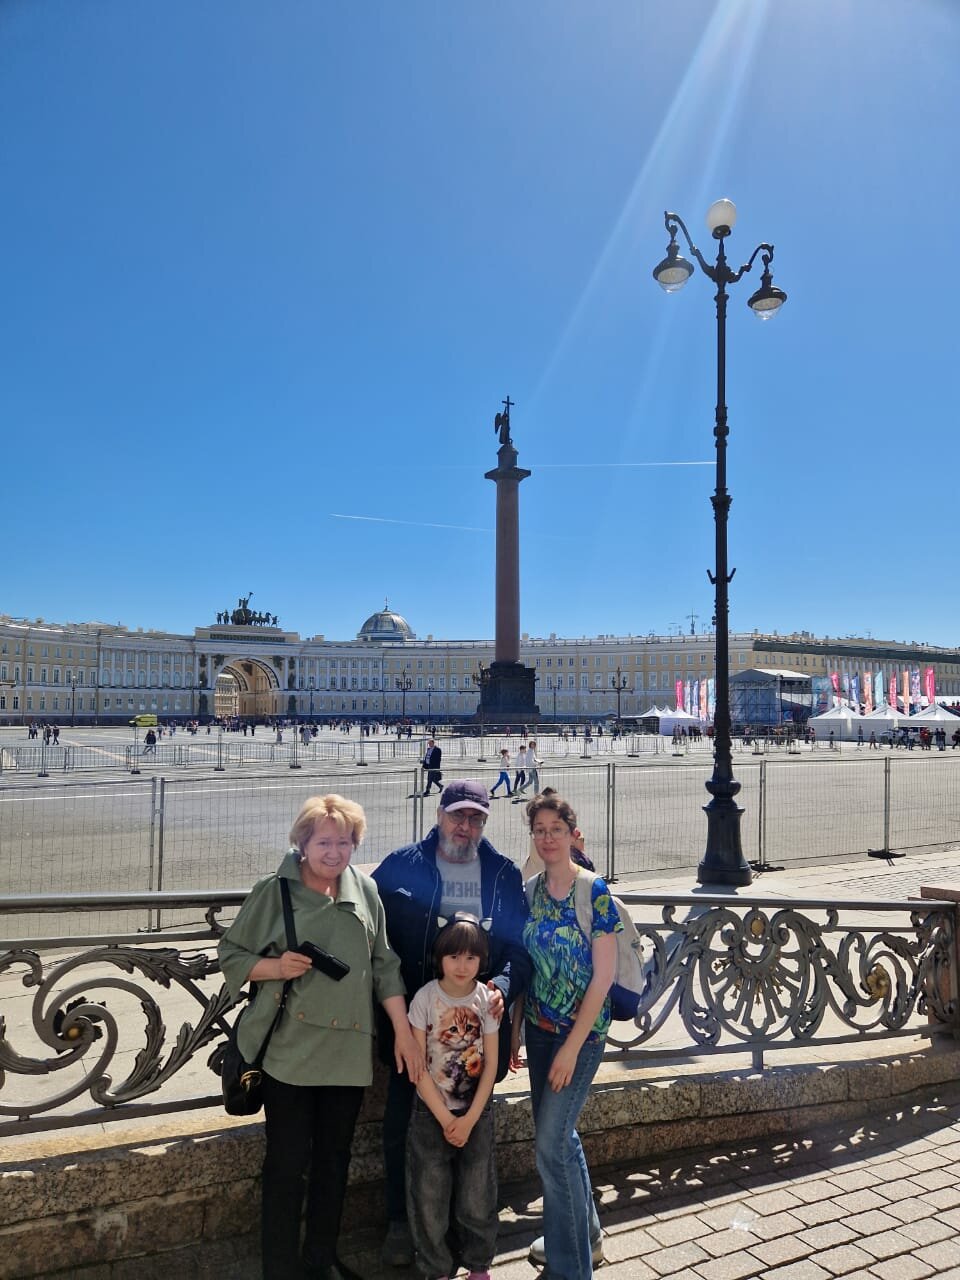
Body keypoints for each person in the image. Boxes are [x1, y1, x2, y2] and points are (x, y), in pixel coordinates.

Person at [219, 794, 423, 1280]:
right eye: (324, 842)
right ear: (303, 844)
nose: (335, 852)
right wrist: (275, 967)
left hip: (347, 1053)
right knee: (287, 1164)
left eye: (345, 842)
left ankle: (321, 1259)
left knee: (334, 1160)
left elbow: (384, 966)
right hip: (290, 1051)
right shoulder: (274, 891)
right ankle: (280, 1269)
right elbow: (231, 954)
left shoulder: (365, 890)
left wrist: (403, 1031)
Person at [372, 779, 531, 1268]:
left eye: (476, 818)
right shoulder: (401, 865)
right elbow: (371, 935)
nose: (465, 826)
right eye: (457, 815)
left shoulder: (502, 874)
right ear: (439, 814)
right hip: (414, 1030)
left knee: (472, 1141)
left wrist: (501, 985)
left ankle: (465, 1233)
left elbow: (520, 948)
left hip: (474, 1039)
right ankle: (402, 1223)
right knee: (403, 1129)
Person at [514, 792, 618, 1279]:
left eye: (556, 829)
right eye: (539, 830)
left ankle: (571, 1268)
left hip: (582, 1037)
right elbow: (525, 967)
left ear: (573, 835)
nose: (547, 838)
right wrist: (515, 1031)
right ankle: (587, 1237)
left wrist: (572, 1049)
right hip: (539, 1031)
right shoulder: (531, 891)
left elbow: (603, 977)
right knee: (561, 1139)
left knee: (550, 1146)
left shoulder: (594, 890)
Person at [406, 914, 500, 1280]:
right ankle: (436, 1267)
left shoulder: (485, 999)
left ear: (482, 960)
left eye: (471, 957)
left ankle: (479, 1264)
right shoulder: (425, 998)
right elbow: (418, 1066)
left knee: (478, 1192)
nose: (462, 966)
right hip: (431, 1110)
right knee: (429, 1194)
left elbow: (490, 1064)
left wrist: (470, 1118)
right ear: (439, 957)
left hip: (476, 1111)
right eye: (454, 956)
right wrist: (447, 1120)